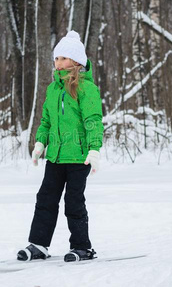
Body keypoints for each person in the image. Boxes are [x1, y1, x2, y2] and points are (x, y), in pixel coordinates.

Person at [17, 30, 104, 263]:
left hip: (78, 158)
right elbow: (46, 120)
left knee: (73, 202)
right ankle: (38, 244)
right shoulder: (53, 89)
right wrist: (39, 142)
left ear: (76, 61)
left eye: (63, 58)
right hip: (54, 157)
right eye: (56, 58)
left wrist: (94, 149)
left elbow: (93, 120)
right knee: (45, 199)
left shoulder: (87, 89)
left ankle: (82, 247)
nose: (58, 62)